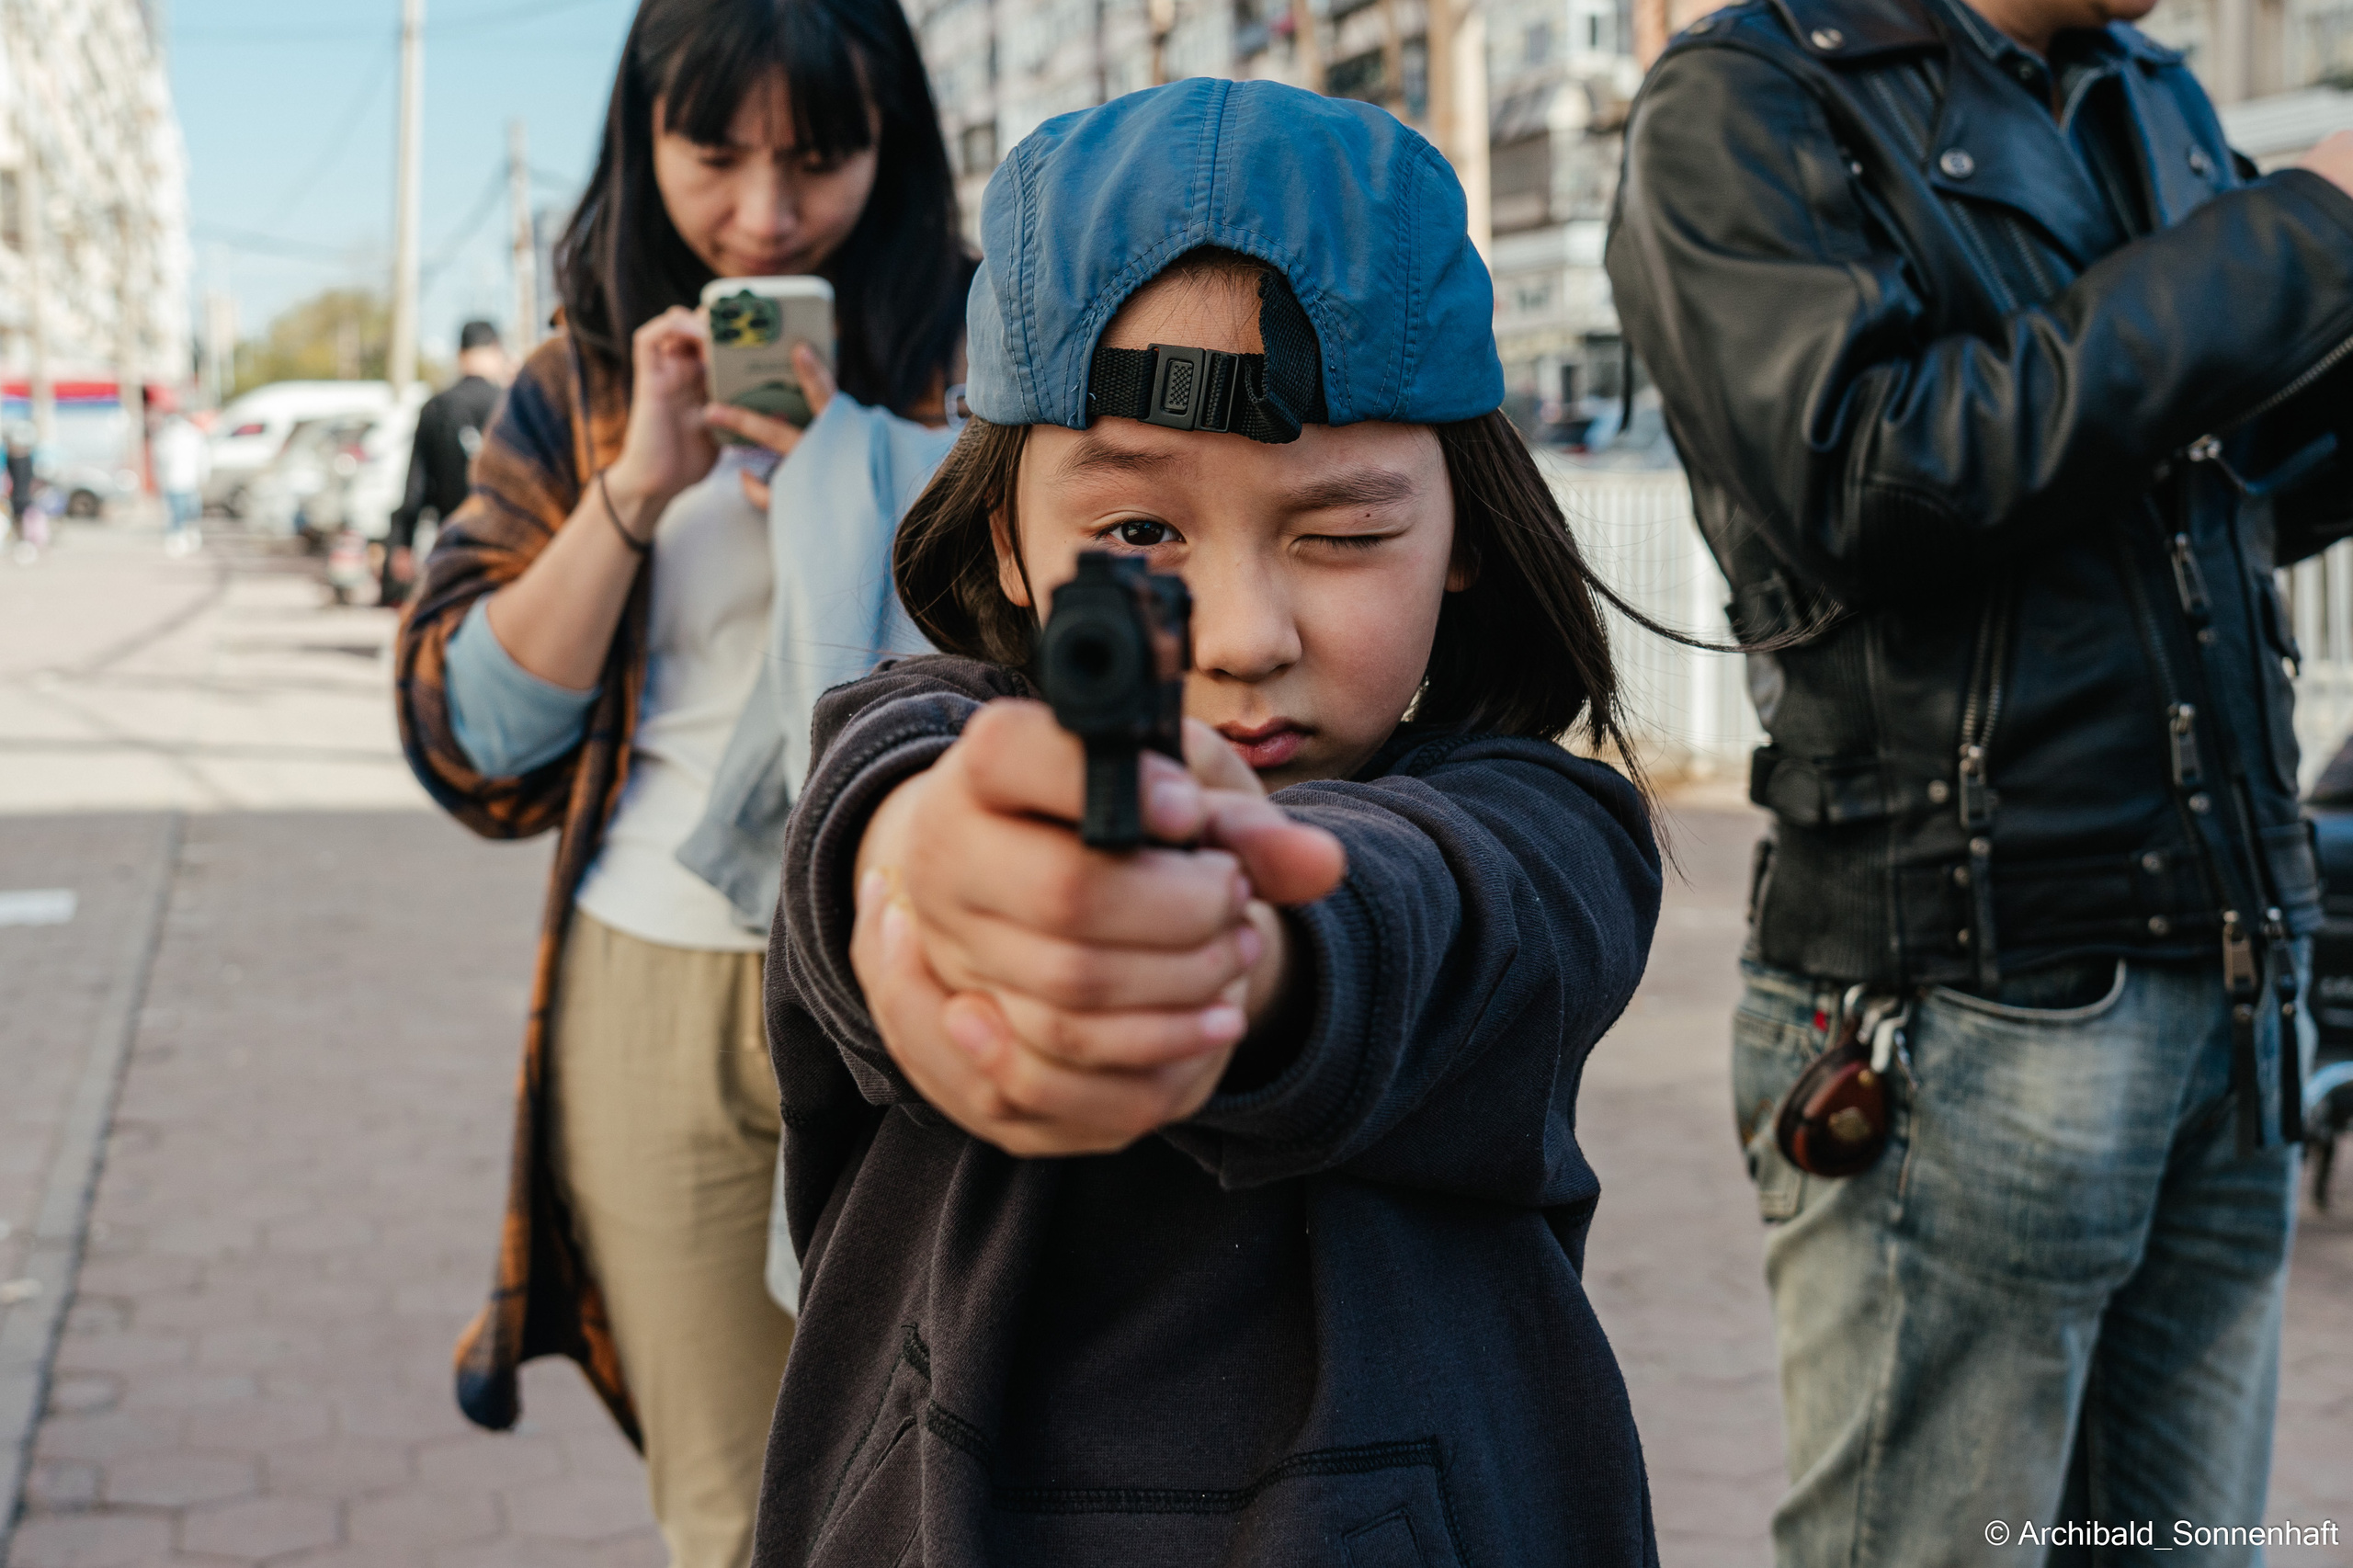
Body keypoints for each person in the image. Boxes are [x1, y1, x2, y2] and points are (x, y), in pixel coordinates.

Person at [755, 79, 1665, 1568]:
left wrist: (1245, 946)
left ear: (1463, 539)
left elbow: (1429, 912)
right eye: (1137, 533)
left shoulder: (1551, 834)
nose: (1240, 635)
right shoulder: (915, 746)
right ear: (1010, 540)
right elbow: (877, 827)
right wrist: (937, 888)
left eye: (1344, 533)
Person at [1606, 0, 2353, 1556]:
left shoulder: (2149, 90)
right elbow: (1875, 476)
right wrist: (2307, 229)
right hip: (1964, 997)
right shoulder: (1747, 97)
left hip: (2224, 970)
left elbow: (2227, 474)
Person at [389, 0, 972, 1562]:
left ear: (893, 144)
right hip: (653, 978)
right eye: (715, 153)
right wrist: (638, 487)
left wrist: (861, 481)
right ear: (643, 138)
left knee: (952, 1475)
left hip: (927, 961)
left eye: (819, 156)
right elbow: (469, 736)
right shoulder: (583, 383)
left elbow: (1090, 620)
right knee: (729, 1511)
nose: (765, 213)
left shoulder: (993, 352)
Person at [381, 320, 511, 606]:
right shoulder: (511, 405)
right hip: (507, 550)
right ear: (496, 350)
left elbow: (416, 484)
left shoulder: (437, 407)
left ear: (460, 355)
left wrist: (402, 544)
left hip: (454, 548)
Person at [151, 400, 210, 558]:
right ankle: (178, 537)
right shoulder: (168, 437)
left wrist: (202, 475)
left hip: (185, 480)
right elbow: (160, 461)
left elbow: (202, 458)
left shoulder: (191, 436)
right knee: (178, 512)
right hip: (176, 481)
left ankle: (185, 536)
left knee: (189, 511)